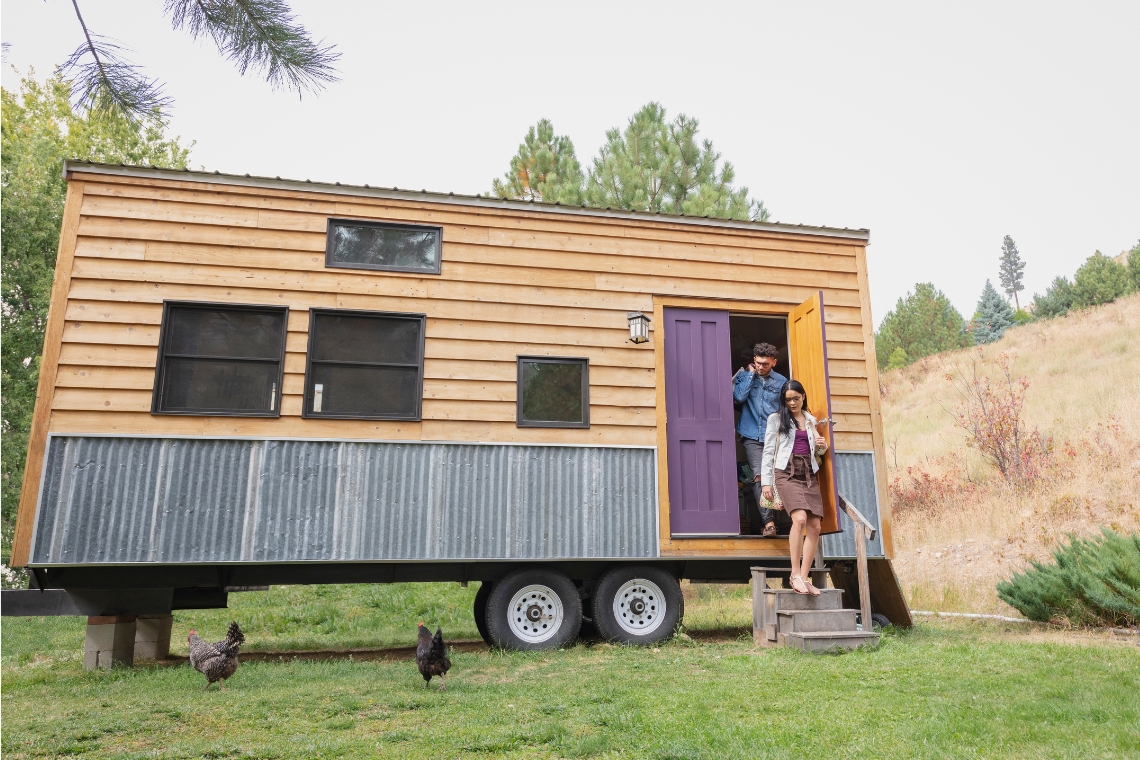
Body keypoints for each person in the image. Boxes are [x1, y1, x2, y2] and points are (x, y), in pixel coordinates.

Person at [761, 380, 829, 595]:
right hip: (786, 472)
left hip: (808, 473)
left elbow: (817, 454)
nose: (792, 402)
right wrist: (766, 481)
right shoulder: (777, 419)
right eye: (788, 399)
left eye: (796, 398)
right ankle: (794, 574)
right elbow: (769, 451)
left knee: (815, 526)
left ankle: (805, 577)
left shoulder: (810, 421)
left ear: (803, 396)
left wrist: (822, 448)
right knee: (799, 519)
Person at [732, 343, 787, 537]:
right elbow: (738, 398)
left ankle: (778, 518)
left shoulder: (781, 382)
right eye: (758, 363)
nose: (761, 367)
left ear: (774, 362)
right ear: (753, 361)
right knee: (759, 477)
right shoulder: (745, 377)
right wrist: (750, 374)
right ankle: (769, 522)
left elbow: (786, 409)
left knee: (776, 475)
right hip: (751, 435)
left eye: (765, 364)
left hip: (774, 436)